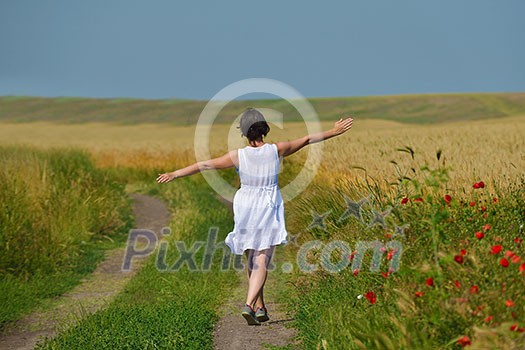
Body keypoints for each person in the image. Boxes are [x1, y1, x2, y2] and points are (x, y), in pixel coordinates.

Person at [156, 108, 353, 325]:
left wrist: (175, 173)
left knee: (251, 254)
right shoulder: (277, 149)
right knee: (262, 257)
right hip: (267, 204)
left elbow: (205, 164)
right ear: (264, 129)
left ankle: (260, 307)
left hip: (245, 204)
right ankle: (250, 304)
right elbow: (307, 139)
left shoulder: (237, 156)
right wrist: (334, 131)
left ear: (244, 132)